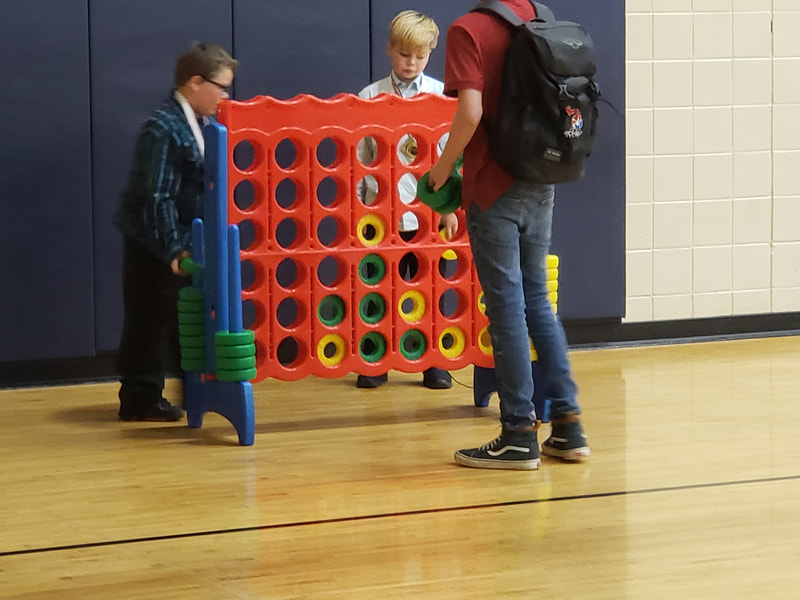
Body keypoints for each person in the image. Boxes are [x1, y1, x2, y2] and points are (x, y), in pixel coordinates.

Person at [428, 0, 590, 469]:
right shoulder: (540, 15)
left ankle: (518, 431)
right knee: (537, 300)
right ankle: (568, 426)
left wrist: (442, 170)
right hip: (542, 176)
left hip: (492, 184)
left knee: (506, 308)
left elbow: (470, 112)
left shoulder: (468, 29)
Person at [114, 42, 238, 421]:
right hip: (154, 241)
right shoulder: (163, 127)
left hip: (185, 238)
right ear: (195, 82)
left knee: (183, 317)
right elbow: (157, 196)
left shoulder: (200, 124)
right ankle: (139, 398)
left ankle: (191, 388)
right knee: (150, 317)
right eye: (221, 87)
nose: (225, 95)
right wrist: (172, 249)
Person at [355, 10, 452, 391]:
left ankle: (432, 362)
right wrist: (362, 210)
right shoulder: (370, 96)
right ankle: (376, 362)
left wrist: (446, 211)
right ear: (389, 50)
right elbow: (362, 161)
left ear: (430, 55)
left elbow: (449, 159)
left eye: (420, 56)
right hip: (381, 215)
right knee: (379, 290)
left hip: (425, 217)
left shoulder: (442, 95)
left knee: (428, 290)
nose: (410, 63)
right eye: (403, 54)